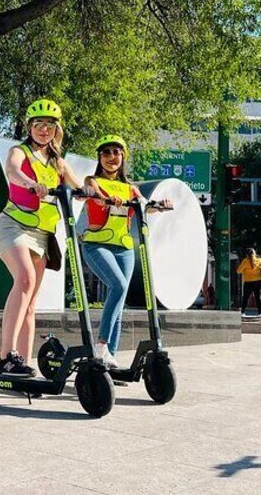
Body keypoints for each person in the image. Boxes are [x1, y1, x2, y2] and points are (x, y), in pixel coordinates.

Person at [0, 99, 92, 376]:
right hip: (12, 225)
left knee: (31, 303)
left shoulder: (58, 163)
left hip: (42, 235)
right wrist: (31, 184)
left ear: (56, 129)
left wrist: (96, 192)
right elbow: (12, 171)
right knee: (24, 280)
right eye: (38, 124)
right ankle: (4, 358)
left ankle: (22, 362)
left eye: (49, 125)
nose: (43, 129)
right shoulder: (19, 151)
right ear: (30, 127)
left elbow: (79, 185)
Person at [80, 135, 171, 367]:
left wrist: (159, 206)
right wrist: (108, 198)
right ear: (99, 157)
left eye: (117, 152)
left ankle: (110, 358)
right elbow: (98, 199)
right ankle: (100, 345)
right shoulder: (92, 180)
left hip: (125, 249)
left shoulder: (131, 188)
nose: (112, 157)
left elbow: (144, 204)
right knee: (118, 286)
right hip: (97, 244)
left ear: (123, 157)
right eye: (107, 152)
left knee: (119, 305)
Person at [237, 248, 261, 316]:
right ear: (254, 253)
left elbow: (238, 271)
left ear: (246, 254)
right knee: (258, 297)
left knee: (246, 297)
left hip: (248, 282)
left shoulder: (245, 261)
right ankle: (260, 313)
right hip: (258, 281)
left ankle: (243, 312)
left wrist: (244, 271)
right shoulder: (259, 260)